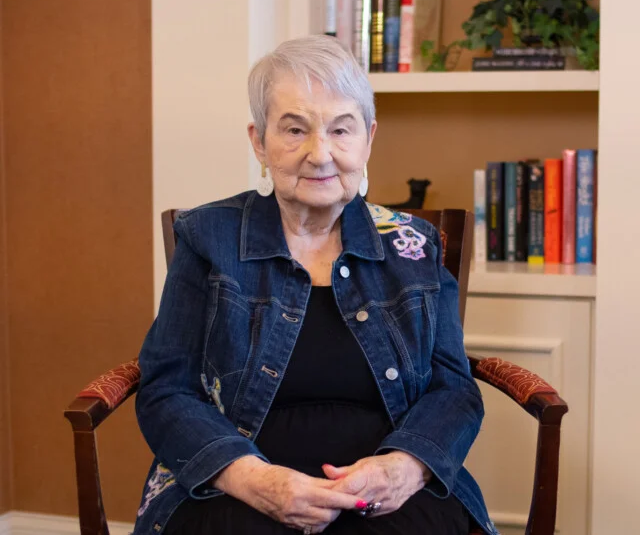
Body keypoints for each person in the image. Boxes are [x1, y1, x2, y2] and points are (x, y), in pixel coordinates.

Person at [132, 35, 495, 535]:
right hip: (237, 479)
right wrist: (253, 478)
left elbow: (453, 388)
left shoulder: (415, 246)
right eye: (294, 129)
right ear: (258, 140)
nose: (319, 154)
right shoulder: (208, 237)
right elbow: (166, 389)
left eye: (340, 130)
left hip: (387, 485)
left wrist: (402, 468)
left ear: (368, 138)